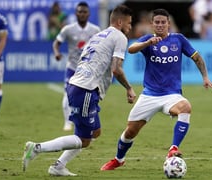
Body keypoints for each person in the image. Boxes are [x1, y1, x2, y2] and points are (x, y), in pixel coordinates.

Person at [22, 5, 136, 176]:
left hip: (78, 85)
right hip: (86, 89)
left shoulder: (98, 35)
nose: (130, 27)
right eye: (129, 23)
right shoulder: (120, 37)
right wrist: (129, 88)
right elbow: (116, 69)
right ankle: (37, 148)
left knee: (95, 132)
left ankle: (58, 167)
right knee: (83, 139)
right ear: (120, 22)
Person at [101, 8, 212, 171]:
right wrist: (148, 43)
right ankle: (118, 159)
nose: (160, 25)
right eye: (157, 22)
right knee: (130, 132)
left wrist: (205, 77)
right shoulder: (148, 40)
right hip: (149, 95)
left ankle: (173, 148)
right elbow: (131, 49)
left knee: (186, 108)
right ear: (152, 24)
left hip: (172, 95)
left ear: (169, 24)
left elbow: (197, 57)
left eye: (163, 22)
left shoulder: (179, 40)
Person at [52, 1, 101, 131]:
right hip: (72, 68)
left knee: (89, 97)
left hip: (88, 70)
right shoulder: (68, 29)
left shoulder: (95, 30)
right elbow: (56, 43)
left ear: (89, 14)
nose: (82, 14)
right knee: (67, 94)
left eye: (84, 12)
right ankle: (68, 122)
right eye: (80, 12)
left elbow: (102, 47)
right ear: (76, 13)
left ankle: (90, 123)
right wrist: (57, 53)